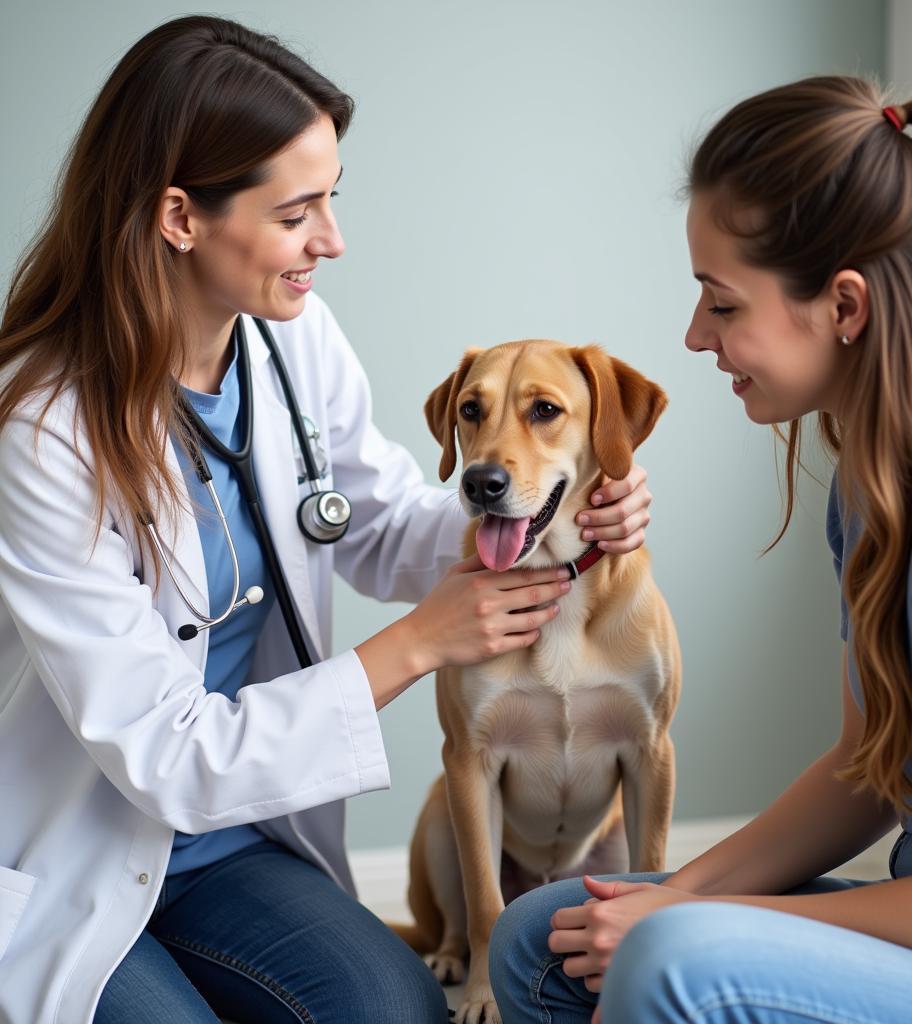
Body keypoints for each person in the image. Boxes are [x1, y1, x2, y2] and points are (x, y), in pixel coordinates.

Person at [0, 16, 654, 1024]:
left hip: (226, 845)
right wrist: (416, 645)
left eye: (331, 200)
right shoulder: (43, 428)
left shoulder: (289, 342)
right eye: (298, 210)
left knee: (398, 1013)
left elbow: (381, 519)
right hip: (76, 842)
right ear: (180, 215)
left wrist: (541, 521)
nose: (332, 241)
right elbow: (165, 755)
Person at [489, 74, 912, 1024]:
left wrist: (684, 918)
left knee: (664, 962)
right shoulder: (876, 483)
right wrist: (663, 895)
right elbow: (871, 768)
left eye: (722, 305)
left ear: (845, 307)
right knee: (548, 935)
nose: (695, 338)